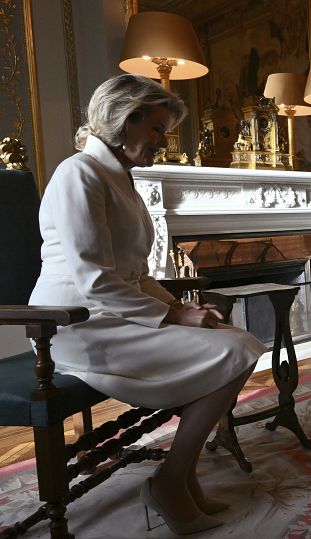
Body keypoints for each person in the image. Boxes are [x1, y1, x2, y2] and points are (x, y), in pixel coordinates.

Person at [28, 74, 266, 535]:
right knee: (239, 351)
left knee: (235, 343)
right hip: (77, 324)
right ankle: (171, 483)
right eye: (157, 128)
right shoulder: (78, 173)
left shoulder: (122, 181)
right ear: (125, 120)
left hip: (118, 315)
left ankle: (180, 476)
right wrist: (175, 313)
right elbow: (95, 279)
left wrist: (185, 312)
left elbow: (135, 275)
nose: (163, 140)